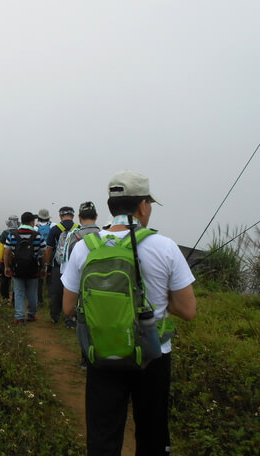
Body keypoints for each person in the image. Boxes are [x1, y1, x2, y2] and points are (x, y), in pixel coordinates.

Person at [62, 170, 197, 456]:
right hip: (153, 355)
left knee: (103, 433)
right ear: (143, 205)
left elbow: (68, 306)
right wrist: (157, 300)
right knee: (151, 431)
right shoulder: (165, 247)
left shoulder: (84, 247)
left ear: (111, 206)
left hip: (101, 352)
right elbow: (188, 310)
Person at [60, 201, 101, 330]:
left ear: (79, 217)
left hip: (79, 280)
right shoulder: (103, 235)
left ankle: (73, 320)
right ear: (96, 217)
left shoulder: (74, 237)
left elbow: (66, 260)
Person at [4, 212, 47, 324]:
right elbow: (43, 252)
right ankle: (31, 315)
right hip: (33, 269)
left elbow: (7, 252)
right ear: (32, 222)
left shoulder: (12, 235)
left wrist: (7, 266)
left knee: (18, 292)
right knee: (32, 292)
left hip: (17, 269)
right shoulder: (38, 235)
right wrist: (43, 268)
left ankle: (19, 317)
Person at [44, 206, 78, 323]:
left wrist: (47, 264)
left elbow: (49, 249)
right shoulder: (78, 228)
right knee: (73, 290)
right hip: (74, 266)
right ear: (73, 216)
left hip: (58, 265)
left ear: (60, 216)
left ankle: (55, 316)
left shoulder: (54, 229)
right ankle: (71, 317)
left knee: (56, 291)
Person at [0, 215, 19, 302]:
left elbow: (1, 247)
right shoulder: (20, 231)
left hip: (5, 260)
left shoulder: (5, 233)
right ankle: (15, 300)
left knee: (5, 279)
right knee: (16, 281)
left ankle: (5, 297)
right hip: (17, 260)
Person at [36, 209, 52, 307]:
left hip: (38, 256)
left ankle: (40, 300)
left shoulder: (35, 227)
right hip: (49, 256)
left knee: (39, 280)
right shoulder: (52, 226)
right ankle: (51, 301)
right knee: (50, 280)